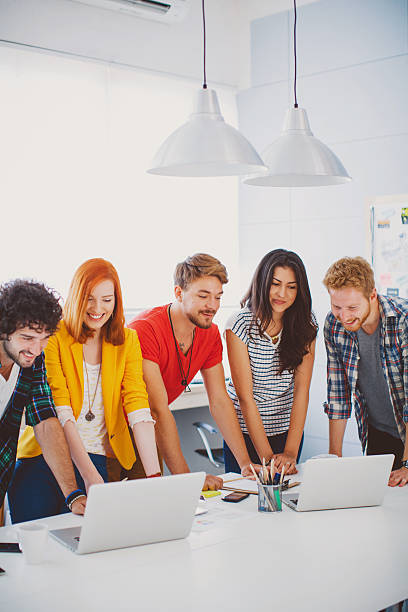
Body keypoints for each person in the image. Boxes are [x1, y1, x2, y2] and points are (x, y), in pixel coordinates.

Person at [9, 259, 161, 522]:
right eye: (89, 298)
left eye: (107, 299)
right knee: (37, 545)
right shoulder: (54, 336)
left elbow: (137, 405)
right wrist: (87, 475)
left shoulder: (128, 341)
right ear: (77, 297)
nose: (97, 308)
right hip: (43, 459)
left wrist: (155, 477)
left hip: (98, 456)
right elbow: (59, 409)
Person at [128, 253, 260, 490]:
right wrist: (189, 480)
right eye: (203, 296)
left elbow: (219, 400)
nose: (213, 305)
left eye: (218, 297)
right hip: (115, 430)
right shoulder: (144, 329)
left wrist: (245, 463)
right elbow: (157, 410)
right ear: (178, 293)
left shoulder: (209, 334)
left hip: (146, 428)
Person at [224, 249, 317, 475]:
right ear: (263, 282)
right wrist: (267, 458)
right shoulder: (239, 324)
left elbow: (301, 391)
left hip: (287, 433)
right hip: (246, 433)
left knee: (284, 501)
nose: (282, 293)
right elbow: (246, 397)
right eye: (276, 284)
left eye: (292, 287)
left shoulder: (306, 323)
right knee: (245, 503)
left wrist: (291, 453)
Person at [0, 279, 85, 519]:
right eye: (27, 338)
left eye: (45, 338)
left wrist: (73, 494)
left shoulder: (31, 363)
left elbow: (45, 421)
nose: (37, 350)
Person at [322, 256, 408, 487]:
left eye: (352, 307)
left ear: (372, 295)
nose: (345, 316)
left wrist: (407, 464)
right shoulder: (334, 325)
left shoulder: (403, 320)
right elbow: (338, 396)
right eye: (336, 307)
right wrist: (334, 458)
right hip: (379, 432)